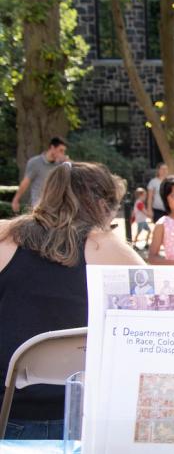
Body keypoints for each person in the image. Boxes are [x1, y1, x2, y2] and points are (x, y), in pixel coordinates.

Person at [0, 162, 144, 440]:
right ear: (103, 204)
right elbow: (156, 317)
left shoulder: (4, 237)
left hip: (7, 411)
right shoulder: (109, 248)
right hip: (84, 415)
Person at [11, 137, 68, 213]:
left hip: (55, 207)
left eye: (64, 151)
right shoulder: (35, 162)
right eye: (61, 150)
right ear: (52, 147)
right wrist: (16, 199)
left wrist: (68, 163)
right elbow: (25, 182)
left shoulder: (61, 165)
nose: (63, 154)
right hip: (38, 206)